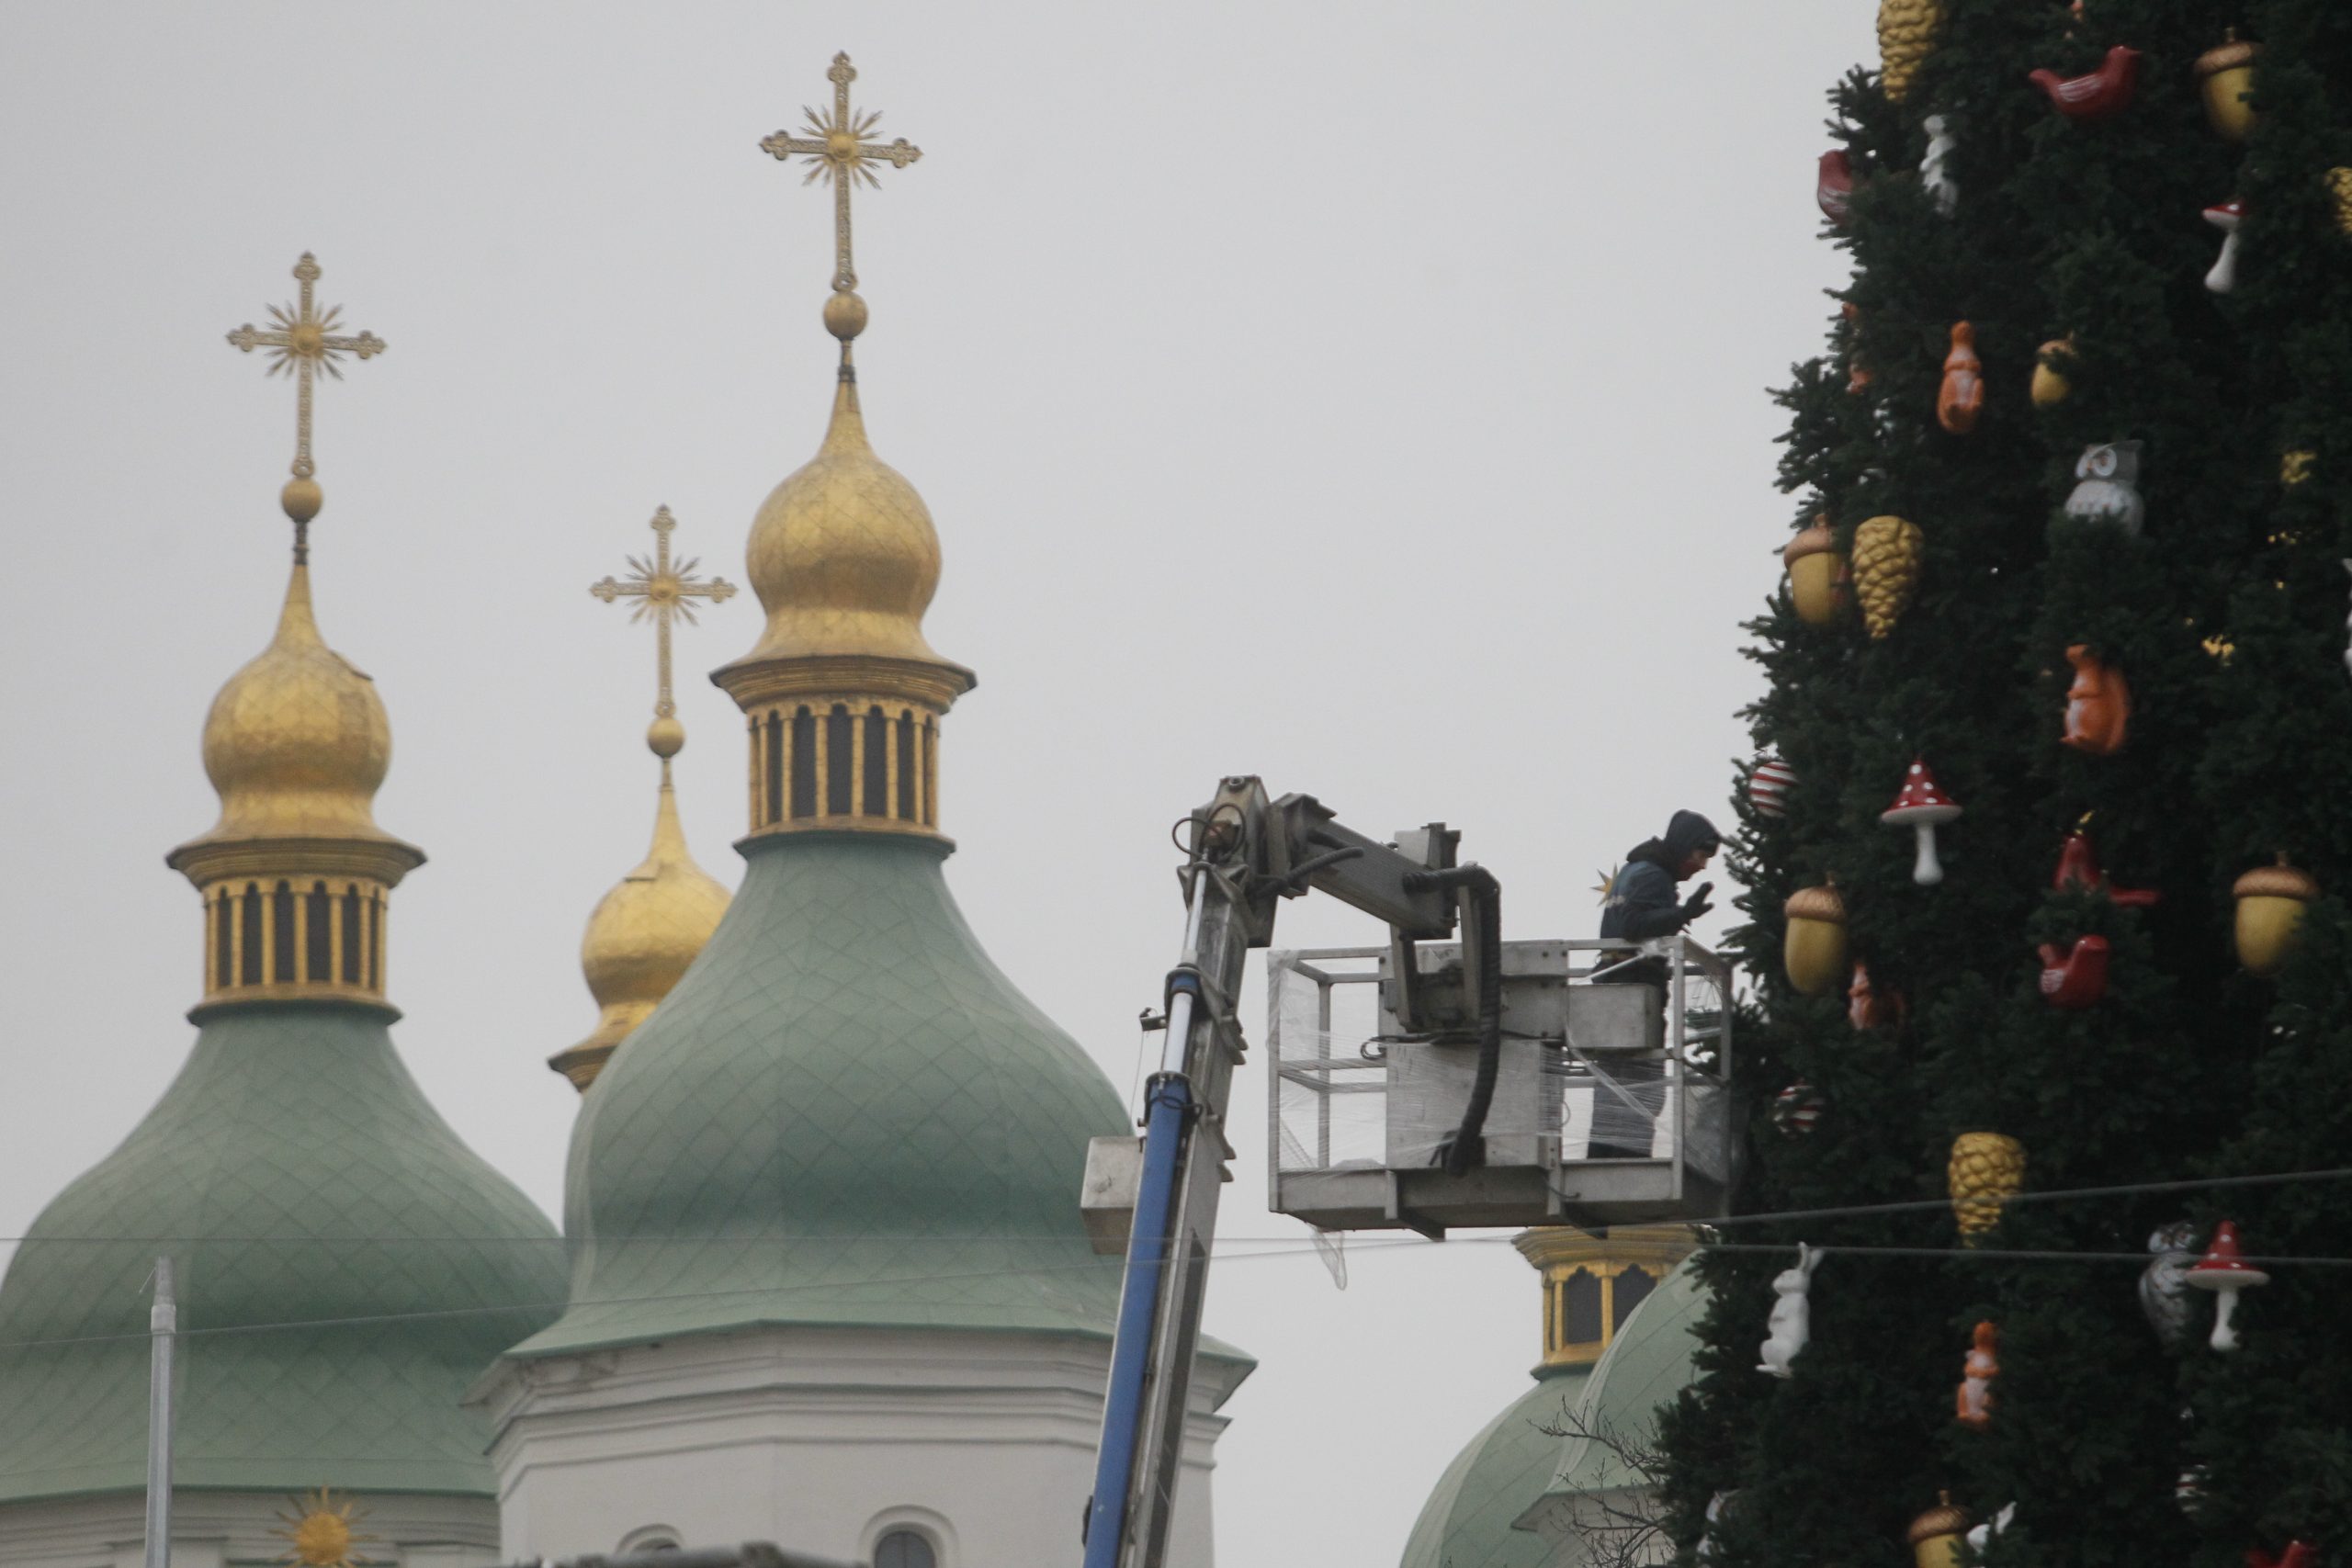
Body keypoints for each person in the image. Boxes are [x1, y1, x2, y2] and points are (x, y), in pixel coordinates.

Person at [1586, 809, 1719, 1158]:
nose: (1702, 865)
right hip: (1633, 985)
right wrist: (1681, 915)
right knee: (1640, 1081)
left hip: (1615, 988)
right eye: (1700, 855)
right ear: (1684, 847)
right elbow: (1634, 925)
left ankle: (1605, 1154)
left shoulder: (1634, 871)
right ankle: (1625, 1156)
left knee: (1616, 1080)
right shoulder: (1654, 876)